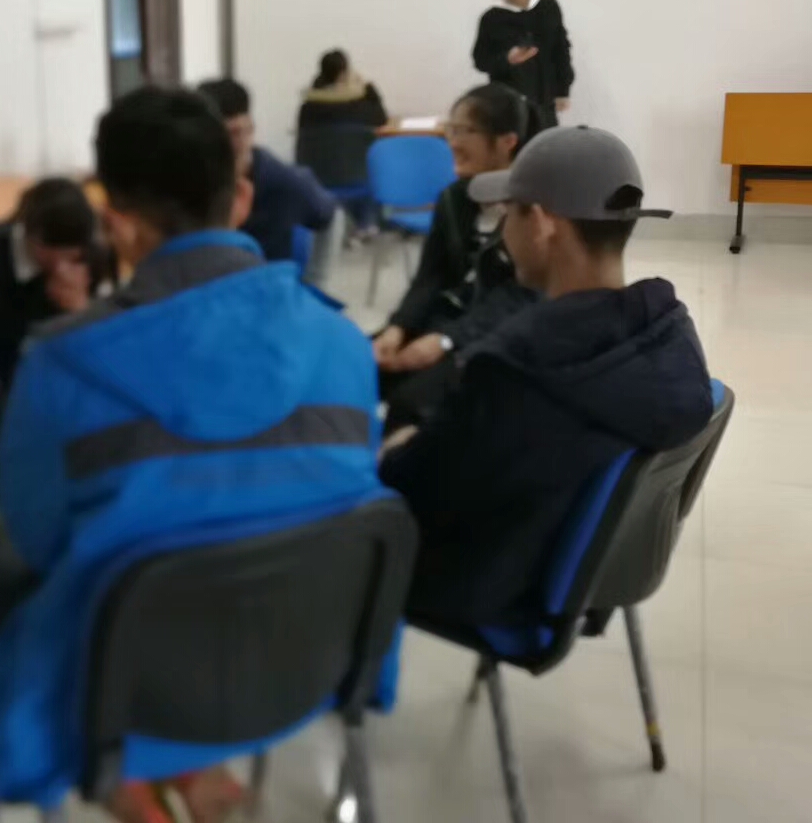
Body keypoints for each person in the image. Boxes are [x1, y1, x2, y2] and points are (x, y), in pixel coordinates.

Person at [0, 87, 388, 811]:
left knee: (19, 578)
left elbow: (40, 537)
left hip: (129, 688)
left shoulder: (63, 362)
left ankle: (134, 782)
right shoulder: (344, 343)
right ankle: (185, 773)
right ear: (241, 198)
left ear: (117, 225)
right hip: (303, 663)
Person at [380, 126, 712, 626]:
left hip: (486, 583)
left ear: (540, 224)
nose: (502, 231)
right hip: (588, 572)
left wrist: (398, 444)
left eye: (509, 213)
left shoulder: (512, 370)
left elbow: (408, 483)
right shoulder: (669, 333)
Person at [374, 83, 538, 431]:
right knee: (354, 365)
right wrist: (398, 327)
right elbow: (430, 276)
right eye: (452, 130)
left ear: (507, 141)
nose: (453, 142)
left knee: (410, 403)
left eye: (466, 131)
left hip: (494, 338)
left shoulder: (529, 208)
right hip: (445, 319)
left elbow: (520, 297)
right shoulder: (453, 198)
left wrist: (447, 340)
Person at [0, 177, 110, 387]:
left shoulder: (88, 255)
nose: (63, 265)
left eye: (72, 256)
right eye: (55, 254)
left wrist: (80, 311)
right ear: (31, 237)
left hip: (62, 372)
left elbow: (103, 341)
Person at [199, 77, 335, 262]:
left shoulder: (286, 182)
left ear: (250, 129)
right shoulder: (188, 187)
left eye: (235, 133)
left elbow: (330, 214)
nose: (227, 144)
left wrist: (316, 276)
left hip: (266, 275)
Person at [473, 0, 574, 134]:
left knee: (545, 146)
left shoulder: (548, 7)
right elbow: (480, 61)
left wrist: (563, 91)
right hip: (508, 104)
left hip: (545, 100)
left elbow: (561, 50)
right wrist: (507, 59)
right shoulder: (491, 18)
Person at [296, 50, 389, 237]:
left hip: (317, 180)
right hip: (358, 179)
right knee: (376, 169)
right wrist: (369, 88)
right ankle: (368, 223)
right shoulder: (361, 106)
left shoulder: (308, 108)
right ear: (343, 74)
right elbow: (382, 118)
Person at [298, 49, 389, 133]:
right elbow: (382, 120)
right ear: (342, 75)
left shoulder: (307, 110)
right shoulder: (360, 108)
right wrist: (368, 89)